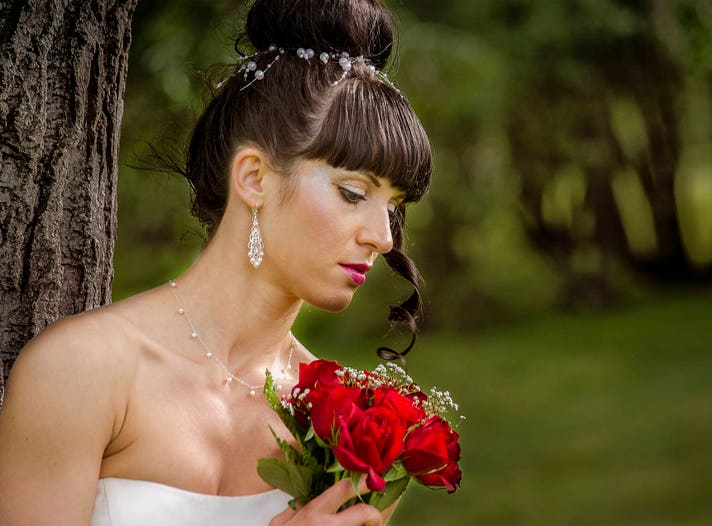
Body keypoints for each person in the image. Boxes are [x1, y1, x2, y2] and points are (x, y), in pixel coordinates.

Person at [0, 0, 432, 524]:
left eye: (394, 206)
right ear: (254, 178)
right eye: (352, 192)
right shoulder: (81, 370)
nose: (384, 238)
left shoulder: (342, 420)